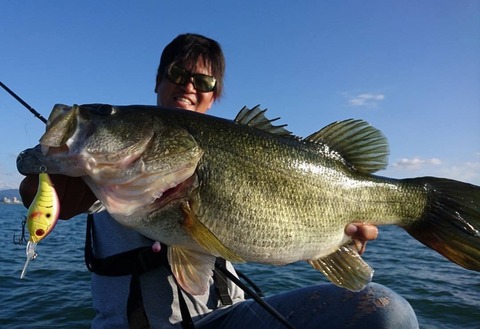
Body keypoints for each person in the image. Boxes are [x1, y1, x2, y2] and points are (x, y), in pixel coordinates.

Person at [19, 33, 418, 328]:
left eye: (204, 82)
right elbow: (45, 196)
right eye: (177, 73)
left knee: (387, 312)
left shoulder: (231, 146)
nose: (189, 86)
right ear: (157, 81)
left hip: (230, 321)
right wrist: (43, 171)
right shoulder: (101, 173)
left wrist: (340, 239)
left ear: (215, 95)